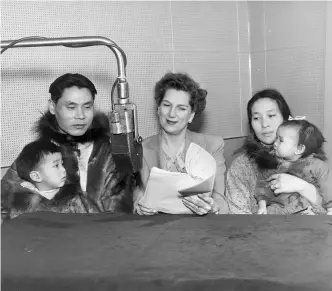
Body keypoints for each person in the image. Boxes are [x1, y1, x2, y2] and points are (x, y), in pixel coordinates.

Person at [1, 73, 133, 220]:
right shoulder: (40, 153)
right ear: (52, 106)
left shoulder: (111, 151)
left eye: (87, 107)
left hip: (105, 235)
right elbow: (5, 204)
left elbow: (121, 211)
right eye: (71, 107)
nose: (81, 115)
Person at [134, 72, 229, 215]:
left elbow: (221, 202)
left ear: (191, 115)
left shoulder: (212, 146)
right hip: (157, 229)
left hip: (201, 230)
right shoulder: (142, 149)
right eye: (166, 105)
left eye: (181, 108)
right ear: (158, 108)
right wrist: (139, 207)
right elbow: (138, 197)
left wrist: (213, 208)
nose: (172, 114)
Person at [225, 88, 329, 214]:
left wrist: (302, 187)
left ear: (286, 119)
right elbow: (238, 219)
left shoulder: (311, 159)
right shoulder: (241, 166)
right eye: (256, 118)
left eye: (271, 115)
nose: (264, 124)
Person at [254, 119, 332, 215]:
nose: (275, 143)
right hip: (279, 209)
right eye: (276, 138)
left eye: (281, 140)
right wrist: (262, 205)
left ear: (299, 149)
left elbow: (328, 189)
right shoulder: (273, 164)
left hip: (307, 209)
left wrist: (330, 209)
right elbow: (262, 185)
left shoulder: (317, 166)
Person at [9, 139, 86, 219]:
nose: (63, 169)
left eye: (62, 164)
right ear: (36, 176)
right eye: (56, 166)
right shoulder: (20, 203)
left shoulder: (73, 197)